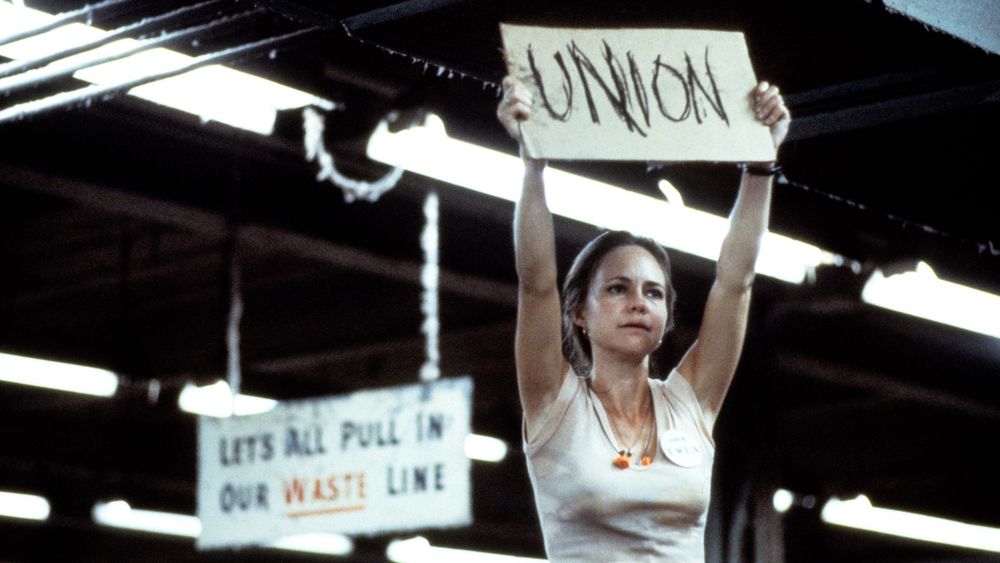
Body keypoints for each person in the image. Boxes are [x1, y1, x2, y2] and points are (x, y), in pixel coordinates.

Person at [497, 74, 790, 562]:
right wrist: (533, 163)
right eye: (618, 288)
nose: (638, 302)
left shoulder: (690, 402)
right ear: (579, 312)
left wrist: (760, 165)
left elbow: (735, 282)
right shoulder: (554, 401)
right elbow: (536, 282)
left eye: (653, 293)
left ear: (666, 315)